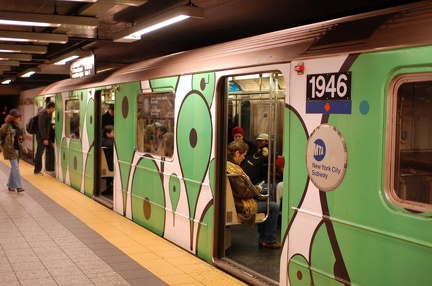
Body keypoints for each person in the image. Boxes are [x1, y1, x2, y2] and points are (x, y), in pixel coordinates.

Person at [226, 140, 281, 249]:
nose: (244, 158)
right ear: (237, 153)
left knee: (267, 200)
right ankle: (268, 239)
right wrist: (256, 189)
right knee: (273, 206)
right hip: (241, 204)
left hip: (236, 200)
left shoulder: (228, 166)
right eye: (243, 155)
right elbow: (243, 192)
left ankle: (264, 237)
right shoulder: (233, 171)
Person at [0, 109, 26, 192]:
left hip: (18, 148)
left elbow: (23, 135)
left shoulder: (20, 125)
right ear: (11, 117)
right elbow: (0, 136)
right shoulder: (6, 126)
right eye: (16, 117)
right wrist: (0, 147)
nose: (18, 118)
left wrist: (21, 140)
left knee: (14, 168)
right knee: (15, 167)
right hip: (9, 149)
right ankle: (19, 186)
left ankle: (10, 185)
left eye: (19, 117)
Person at [34, 102, 55, 175]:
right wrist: (44, 139)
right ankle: (37, 170)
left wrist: (52, 125)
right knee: (39, 153)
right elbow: (41, 127)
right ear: (51, 108)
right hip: (41, 137)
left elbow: (47, 124)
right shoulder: (42, 114)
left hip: (46, 136)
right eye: (54, 109)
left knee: (51, 149)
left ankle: (49, 168)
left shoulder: (48, 114)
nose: (54, 110)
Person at [102, 125, 114, 193]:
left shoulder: (101, 140)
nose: (114, 133)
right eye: (113, 132)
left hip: (106, 163)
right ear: (107, 133)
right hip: (110, 165)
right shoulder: (110, 143)